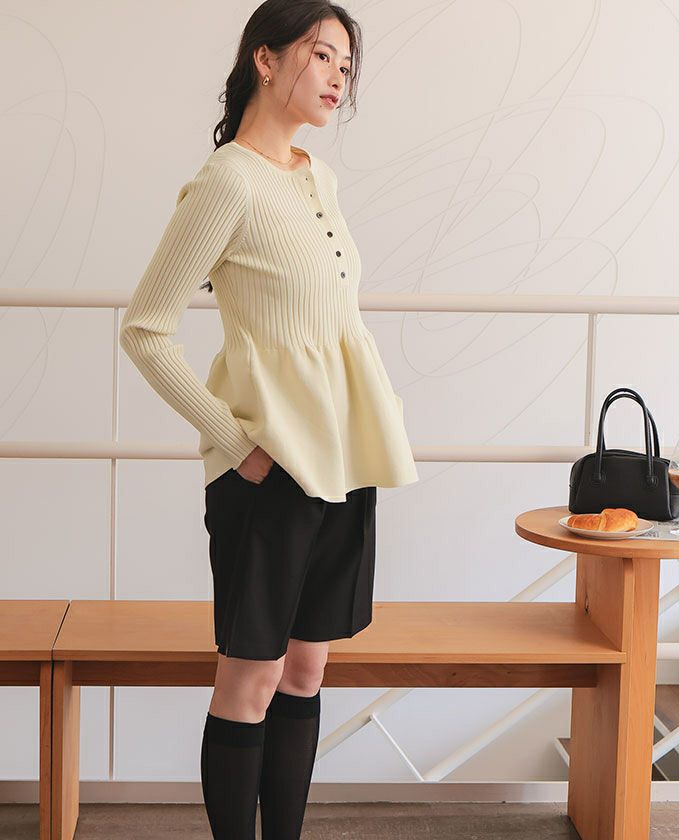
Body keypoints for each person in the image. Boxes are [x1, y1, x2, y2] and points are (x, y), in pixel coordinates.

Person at [119, 1, 418, 837]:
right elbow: (145, 329)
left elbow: (333, 324)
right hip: (270, 471)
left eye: (346, 66)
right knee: (249, 680)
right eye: (322, 56)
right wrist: (237, 442)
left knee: (305, 674)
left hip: (344, 460)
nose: (337, 78)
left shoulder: (317, 176)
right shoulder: (228, 181)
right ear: (265, 57)